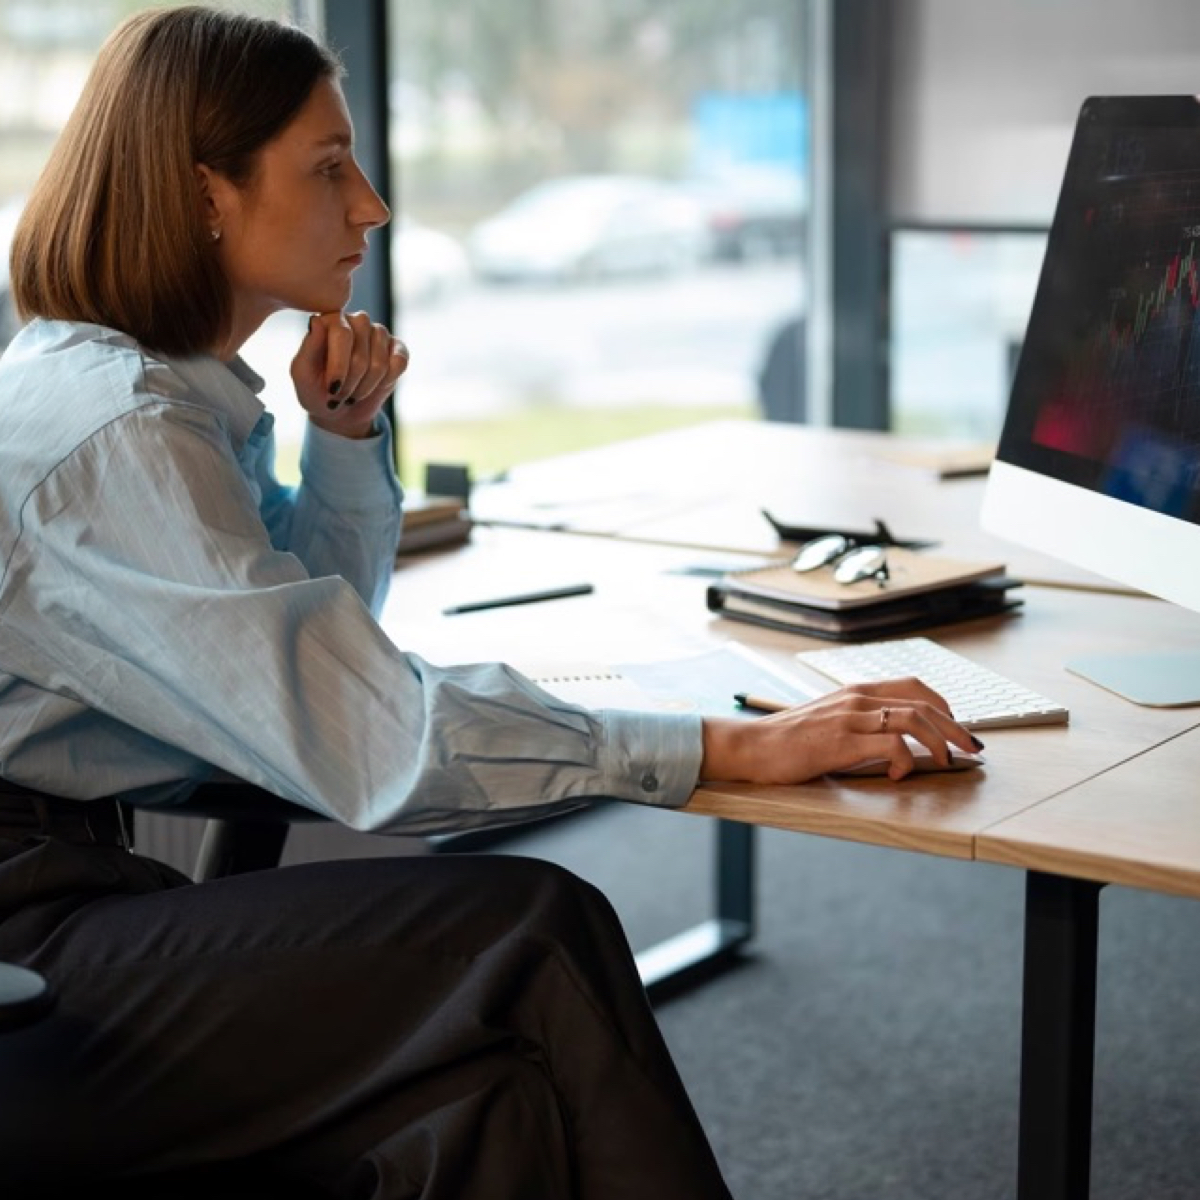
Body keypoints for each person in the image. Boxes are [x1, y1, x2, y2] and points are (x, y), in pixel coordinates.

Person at [0, 7, 980, 1196]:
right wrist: (729, 744)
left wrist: (346, 439)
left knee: (499, 1091)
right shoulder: (123, 435)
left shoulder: (160, 394)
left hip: (79, 895)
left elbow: (320, 653)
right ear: (206, 193)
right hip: (30, 946)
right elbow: (376, 739)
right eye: (326, 168)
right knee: (530, 937)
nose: (372, 203)